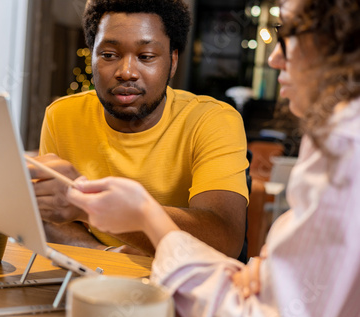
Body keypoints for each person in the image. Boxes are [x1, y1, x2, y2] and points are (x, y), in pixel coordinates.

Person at [67, 0, 360, 317]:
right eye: (108, 54)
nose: (275, 58)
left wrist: (147, 217)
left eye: (290, 33)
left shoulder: (346, 144)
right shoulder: (61, 115)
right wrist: (268, 274)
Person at [28, 0, 249, 259]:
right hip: (94, 278)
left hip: (180, 288)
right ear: (92, 57)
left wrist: (87, 206)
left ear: (173, 61)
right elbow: (53, 218)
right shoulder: (62, 116)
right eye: (109, 55)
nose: (127, 72)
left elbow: (224, 239)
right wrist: (109, 255)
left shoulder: (212, 120)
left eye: (146, 57)